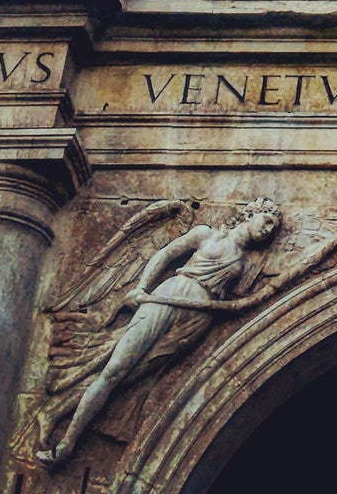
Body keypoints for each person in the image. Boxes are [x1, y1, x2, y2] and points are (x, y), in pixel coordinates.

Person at [36, 198, 282, 467]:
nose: (268, 230)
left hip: (197, 319)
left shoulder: (246, 265)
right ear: (251, 212)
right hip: (171, 294)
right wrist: (141, 288)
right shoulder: (206, 234)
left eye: (273, 227)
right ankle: (68, 443)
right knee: (115, 370)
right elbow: (165, 254)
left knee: (130, 379)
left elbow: (233, 302)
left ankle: (56, 413)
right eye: (267, 221)